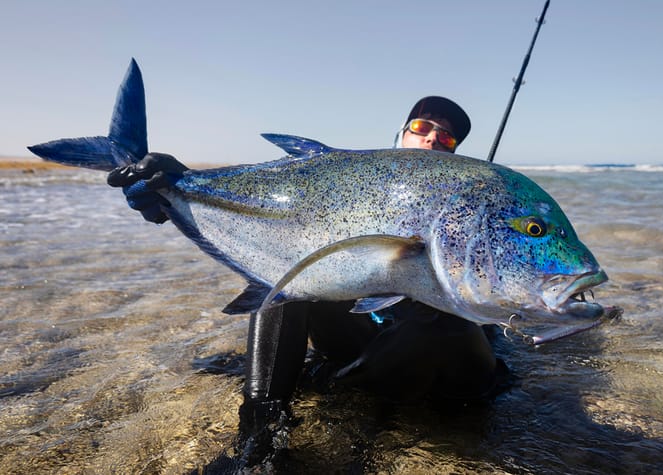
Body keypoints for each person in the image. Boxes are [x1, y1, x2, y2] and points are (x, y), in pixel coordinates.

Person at [107, 96, 506, 466]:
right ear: (400, 134)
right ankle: (260, 429)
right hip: (362, 354)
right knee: (295, 273)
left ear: (455, 153)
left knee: (446, 324)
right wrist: (172, 193)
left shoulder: (469, 208)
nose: (434, 135)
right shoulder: (347, 188)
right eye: (422, 125)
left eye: (447, 135)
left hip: (435, 364)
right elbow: (267, 217)